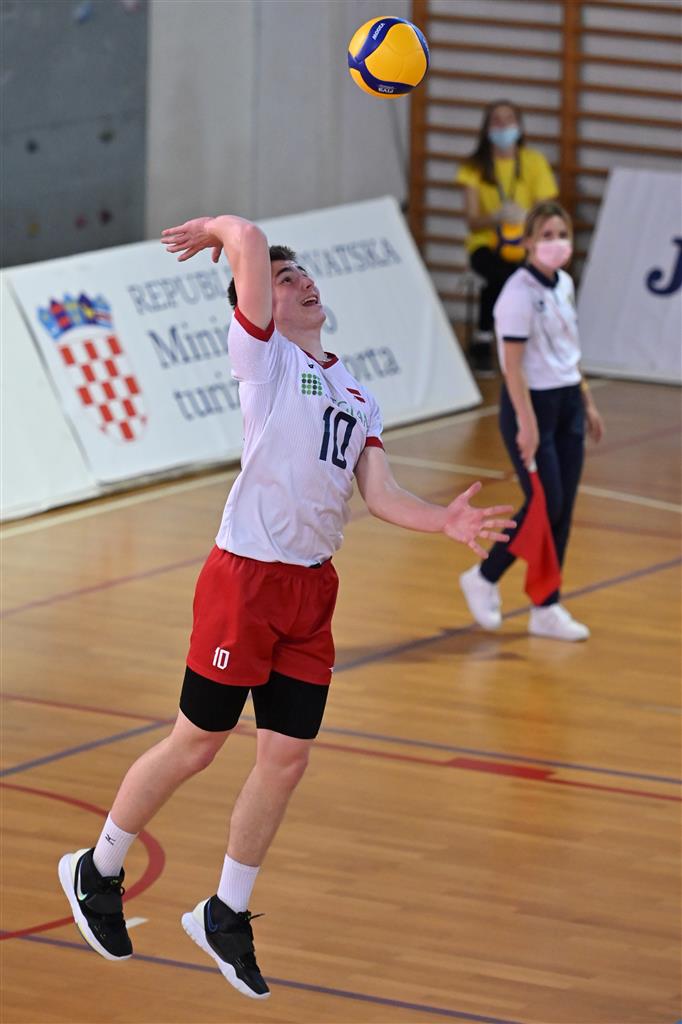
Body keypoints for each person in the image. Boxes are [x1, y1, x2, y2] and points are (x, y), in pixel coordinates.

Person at [58, 212, 515, 1000]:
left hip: (310, 590)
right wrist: (222, 231)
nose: (299, 281)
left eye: (303, 273)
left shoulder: (356, 391)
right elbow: (245, 235)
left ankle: (224, 911)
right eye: (282, 276)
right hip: (244, 579)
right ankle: (97, 869)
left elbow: (380, 493)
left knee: (287, 757)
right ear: (262, 299)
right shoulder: (263, 358)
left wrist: (442, 520)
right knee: (198, 742)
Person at [459, 200, 605, 641]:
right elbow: (512, 366)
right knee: (547, 502)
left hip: (568, 403)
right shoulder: (517, 295)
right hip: (532, 407)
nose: (556, 243)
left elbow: (569, 352)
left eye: (562, 235)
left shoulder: (564, 284)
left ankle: (546, 606)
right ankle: (484, 576)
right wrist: (526, 422)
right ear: (527, 242)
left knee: (563, 509)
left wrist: (587, 401)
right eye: (546, 236)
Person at [456, 99, 558, 376]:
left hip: (525, 243)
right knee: (500, 275)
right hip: (486, 243)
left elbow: (547, 212)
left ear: (519, 126)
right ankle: (485, 339)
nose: (503, 126)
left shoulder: (533, 162)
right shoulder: (475, 167)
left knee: (526, 274)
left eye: (508, 119)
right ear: (486, 128)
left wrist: (526, 218)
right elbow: (472, 221)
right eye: (496, 120)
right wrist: (496, 217)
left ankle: (523, 340)